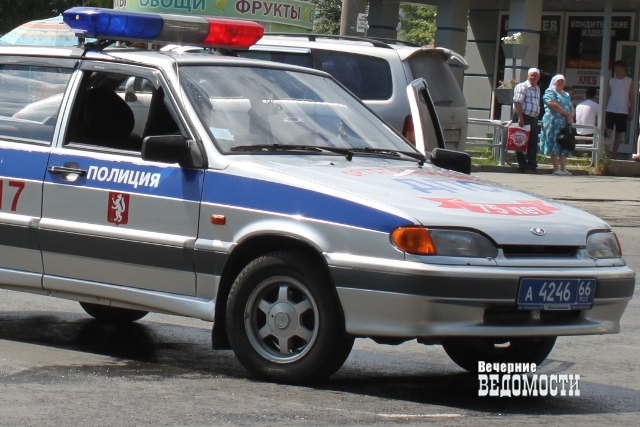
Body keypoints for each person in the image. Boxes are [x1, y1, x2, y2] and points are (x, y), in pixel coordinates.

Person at [540, 74, 575, 175]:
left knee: (564, 143)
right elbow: (553, 104)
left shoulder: (566, 94)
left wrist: (571, 115)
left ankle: (563, 168)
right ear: (554, 82)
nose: (560, 83)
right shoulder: (550, 91)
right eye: (558, 81)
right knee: (554, 142)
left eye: (562, 81)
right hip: (553, 121)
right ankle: (556, 168)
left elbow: (571, 106)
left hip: (564, 123)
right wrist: (566, 114)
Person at [512, 68, 541, 173]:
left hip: (533, 118)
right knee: (520, 141)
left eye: (535, 75)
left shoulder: (537, 88)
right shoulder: (522, 86)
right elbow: (517, 102)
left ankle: (532, 166)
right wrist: (520, 117)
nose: (533, 77)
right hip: (523, 116)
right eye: (531, 75)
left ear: (538, 77)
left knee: (533, 142)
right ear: (528, 76)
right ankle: (523, 166)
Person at [605, 60, 634, 158]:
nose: (617, 70)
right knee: (608, 133)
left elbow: (632, 96)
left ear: (623, 69)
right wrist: (605, 108)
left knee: (619, 134)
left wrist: (632, 110)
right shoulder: (611, 81)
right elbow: (608, 95)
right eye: (616, 68)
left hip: (623, 110)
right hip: (610, 109)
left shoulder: (629, 81)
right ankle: (606, 154)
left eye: (619, 68)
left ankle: (614, 154)